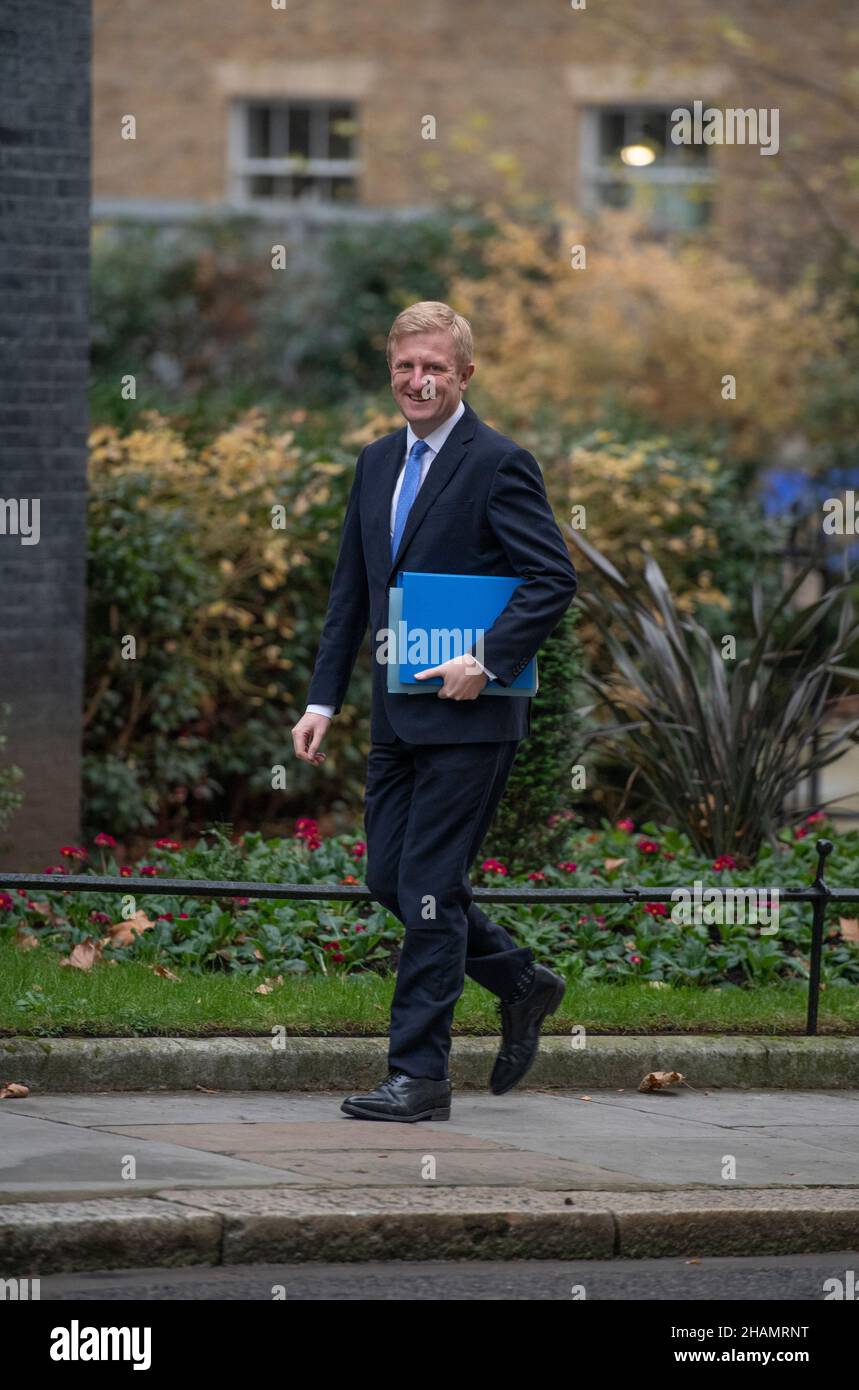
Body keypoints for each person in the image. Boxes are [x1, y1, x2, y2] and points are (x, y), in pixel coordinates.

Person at [291, 301, 577, 1122]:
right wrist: (322, 700)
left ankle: (419, 1077)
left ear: (464, 376)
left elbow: (549, 577)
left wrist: (486, 660)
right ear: (390, 368)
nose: (418, 382)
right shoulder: (376, 461)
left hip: (470, 720)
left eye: (435, 370)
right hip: (394, 713)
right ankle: (522, 982)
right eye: (405, 367)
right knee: (391, 877)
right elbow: (353, 588)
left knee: (426, 888)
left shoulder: (498, 463)